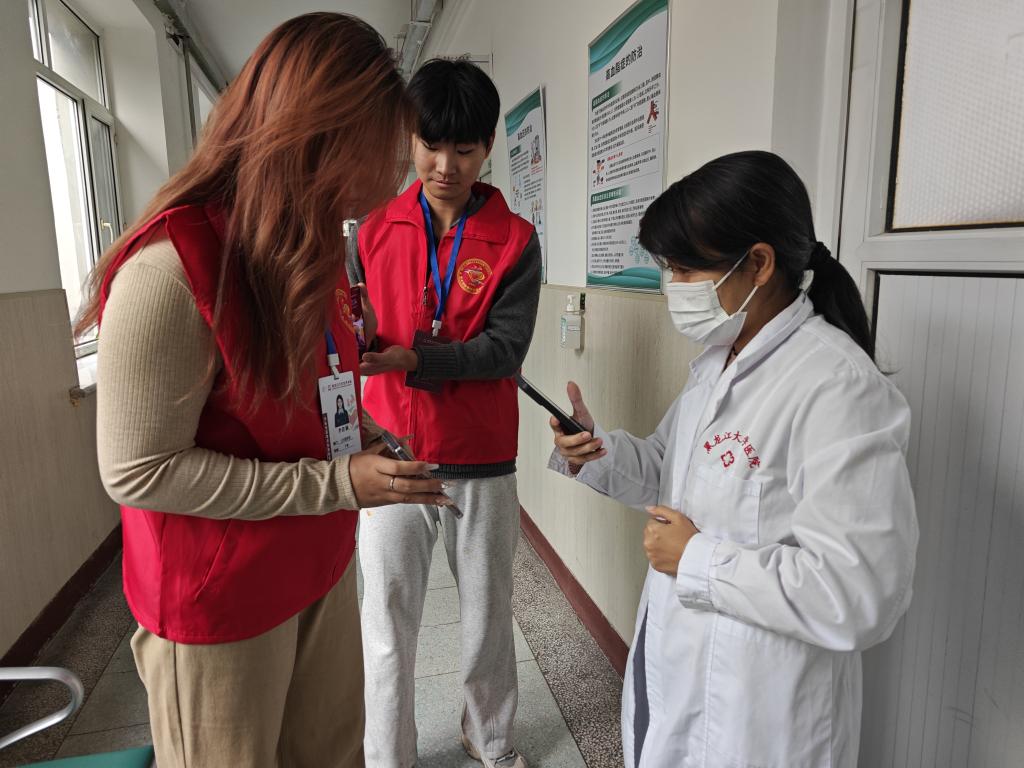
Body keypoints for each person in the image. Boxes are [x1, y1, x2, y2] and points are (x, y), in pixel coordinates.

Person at [76, 14, 453, 768]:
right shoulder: (171, 271)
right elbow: (139, 471)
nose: (395, 178)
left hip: (315, 565)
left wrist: (367, 442)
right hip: (220, 603)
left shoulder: (307, 251)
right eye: (382, 151)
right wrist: (337, 482)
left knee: (334, 753)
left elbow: (314, 390)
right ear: (313, 138)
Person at [549, 151, 918, 768]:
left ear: (759, 264)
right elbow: (671, 471)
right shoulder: (718, 361)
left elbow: (861, 591)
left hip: (762, 713)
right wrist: (596, 451)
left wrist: (697, 559)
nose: (673, 286)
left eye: (685, 268)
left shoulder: (837, 386)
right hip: (678, 665)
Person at [348, 59, 542, 768]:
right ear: (410, 139)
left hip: (481, 459)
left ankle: (490, 739)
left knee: (487, 618)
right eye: (430, 146)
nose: (444, 166)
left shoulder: (515, 240)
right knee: (386, 622)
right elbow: (349, 329)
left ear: (488, 146)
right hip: (390, 459)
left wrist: (418, 359)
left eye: (463, 149)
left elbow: (504, 349)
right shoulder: (370, 232)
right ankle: (387, 756)